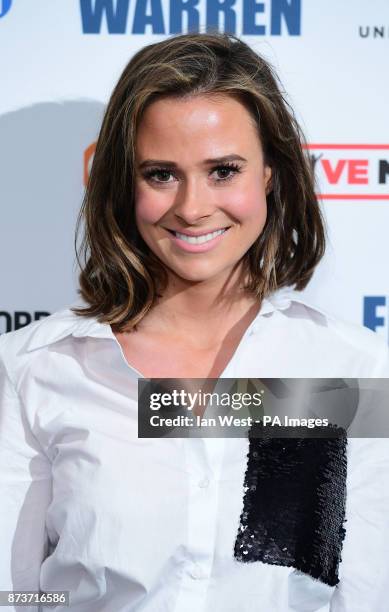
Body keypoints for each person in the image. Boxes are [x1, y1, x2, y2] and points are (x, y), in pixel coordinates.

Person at [0, 31, 388, 612]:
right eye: (161, 174)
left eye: (224, 170)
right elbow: (21, 595)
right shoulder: (35, 367)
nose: (191, 206)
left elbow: (366, 593)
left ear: (271, 175)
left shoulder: (353, 369)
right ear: (122, 185)